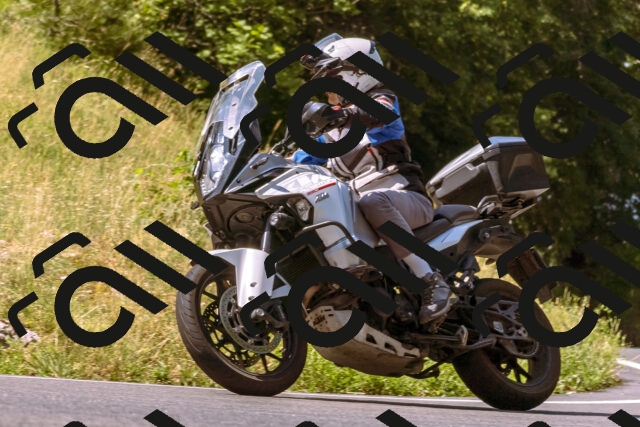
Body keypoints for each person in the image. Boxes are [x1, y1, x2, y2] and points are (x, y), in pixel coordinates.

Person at [291, 34, 453, 326]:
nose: (328, 91)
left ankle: (431, 280)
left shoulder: (383, 101)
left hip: (407, 199)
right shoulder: (333, 134)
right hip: (366, 214)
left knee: (372, 201)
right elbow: (302, 159)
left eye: (333, 80)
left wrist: (343, 113)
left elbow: (378, 112)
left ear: (357, 73)